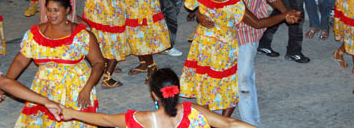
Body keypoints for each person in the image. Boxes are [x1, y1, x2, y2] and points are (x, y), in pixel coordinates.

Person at [181, 0, 300, 117]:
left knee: (204, 79)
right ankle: (224, 120)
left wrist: (199, 16)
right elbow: (258, 23)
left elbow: (190, 7)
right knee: (229, 84)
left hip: (202, 46)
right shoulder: (234, 2)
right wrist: (284, 15)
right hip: (224, 50)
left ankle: (207, 118)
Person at [0, 0, 105, 127]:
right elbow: (20, 60)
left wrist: (87, 89)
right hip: (44, 89)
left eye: (56, 10)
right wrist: (7, 83)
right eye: (49, 10)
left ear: (67, 10)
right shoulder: (35, 34)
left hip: (74, 89)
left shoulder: (82, 35)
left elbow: (99, 63)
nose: (51, 14)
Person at [61, 68, 256, 128]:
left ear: (154, 94)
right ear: (177, 90)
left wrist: (71, 113)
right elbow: (230, 124)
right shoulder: (194, 112)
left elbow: (104, 119)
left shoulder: (140, 120)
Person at [225, 0, 287, 127]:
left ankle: (251, 123)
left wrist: (286, 14)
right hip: (226, 30)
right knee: (226, 72)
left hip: (251, 29)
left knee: (244, 77)